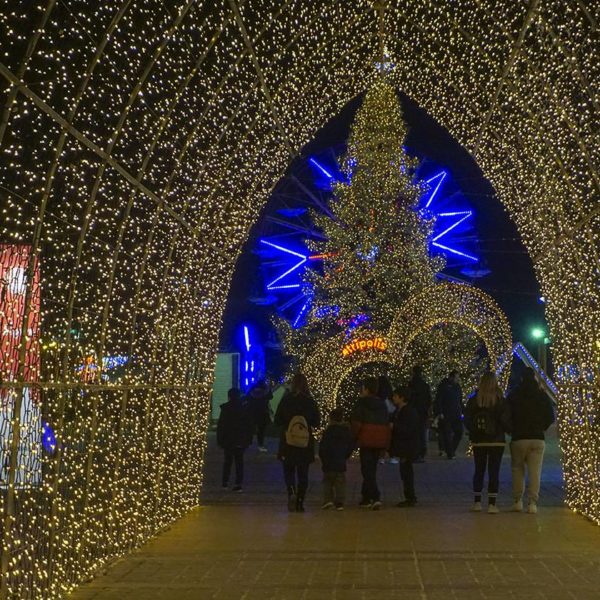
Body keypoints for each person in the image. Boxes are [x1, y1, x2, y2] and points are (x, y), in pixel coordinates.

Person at [507, 368, 555, 514]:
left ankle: (517, 501)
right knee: (535, 472)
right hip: (537, 437)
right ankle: (532, 503)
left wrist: (511, 430)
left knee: (517, 469)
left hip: (519, 437)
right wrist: (542, 428)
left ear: (521, 378)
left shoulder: (514, 395)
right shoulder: (541, 395)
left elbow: (506, 414)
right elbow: (550, 417)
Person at [464, 372, 510, 513]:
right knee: (494, 471)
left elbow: (467, 419)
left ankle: (477, 502)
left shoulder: (475, 400)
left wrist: (473, 432)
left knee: (479, 470)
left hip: (479, 440)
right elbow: (505, 419)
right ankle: (492, 504)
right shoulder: (500, 400)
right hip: (496, 440)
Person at [274, 373, 320, 512]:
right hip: (304, 442)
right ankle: (300, 501)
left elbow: (277, 420)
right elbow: (316, 422)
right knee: (303, 473)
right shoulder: (310, 401)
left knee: (288, 470)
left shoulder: (287, 400)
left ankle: (291, 492)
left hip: (288, 441)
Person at [350, 377, 391, 510]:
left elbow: (356, 422)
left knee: (367, 470)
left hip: (366, 439)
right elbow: (386, 422)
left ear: (366, 389)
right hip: (379, 440)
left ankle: (375, 496)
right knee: (371, 469)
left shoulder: (361, 403)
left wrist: (353, 438)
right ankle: (366, 497)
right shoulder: (382, 404)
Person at [217, 388, 254, 492]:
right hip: (240, 439)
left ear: (229, 396)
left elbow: (221, 425)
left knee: (227, 461)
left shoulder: (225, 409)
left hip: (228, 439)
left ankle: (225, 482)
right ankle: (238, 483)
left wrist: (220, 440)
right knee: (239, 462)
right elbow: (249, 425)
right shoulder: (243, 408)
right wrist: (249, 439)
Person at [318, 407, 354, 511]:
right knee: (340, 483)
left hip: (328, 461)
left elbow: (323, 447)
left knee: (327, 481)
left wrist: (323, 458)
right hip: (340, 461)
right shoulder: (346, 431)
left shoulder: (328, 431)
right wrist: (345, 456)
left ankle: (328, 500)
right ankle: (339, 502)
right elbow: (350, 446)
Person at [390, 386, 420, 507]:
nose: (393, 398)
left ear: (401, 398)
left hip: (408, 447)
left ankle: (410, 497)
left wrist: (394, 427)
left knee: (407, 473)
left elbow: (408, 430)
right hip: (405, 446)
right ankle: (410, 496)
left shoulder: (407, 412)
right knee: (405, 472)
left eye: (395, 396)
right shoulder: (401, 410)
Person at [434, 370, 464, 459]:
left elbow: (459, 400)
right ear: (451, 377)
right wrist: (440, 412)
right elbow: (438, 400)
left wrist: (462, 410)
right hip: (446, 414)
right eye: (456, 377)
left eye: (458, 377)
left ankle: (451, 450)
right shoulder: (443, 386)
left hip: (456, 413)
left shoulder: (457, 387)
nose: (458, 379)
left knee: (459, 432)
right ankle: (450, 453)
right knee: (447, 434)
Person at [408, 365, 432, 462]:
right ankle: (421, 453)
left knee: (414, 433)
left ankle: (414, 453)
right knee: (421, 433)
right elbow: (429, 400)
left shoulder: (411, 384)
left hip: (413, 411)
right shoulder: (425, 385)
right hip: (422, 412)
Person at [377, 375, 398, 464]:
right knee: (390, 439)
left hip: (380, 420)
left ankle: (381, 457)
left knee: (380, 438)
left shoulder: (377, 395)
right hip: (389, 419)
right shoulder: (390, 394)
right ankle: (392, 456)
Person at [248, 379, 273, 452]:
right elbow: (271, 397)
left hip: (252, 411)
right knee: (261, 429)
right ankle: (260, 444)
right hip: (263, 412)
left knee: (250, 427)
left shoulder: (253, 389)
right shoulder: (266, 390)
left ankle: (248, 441)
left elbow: (248, 396)